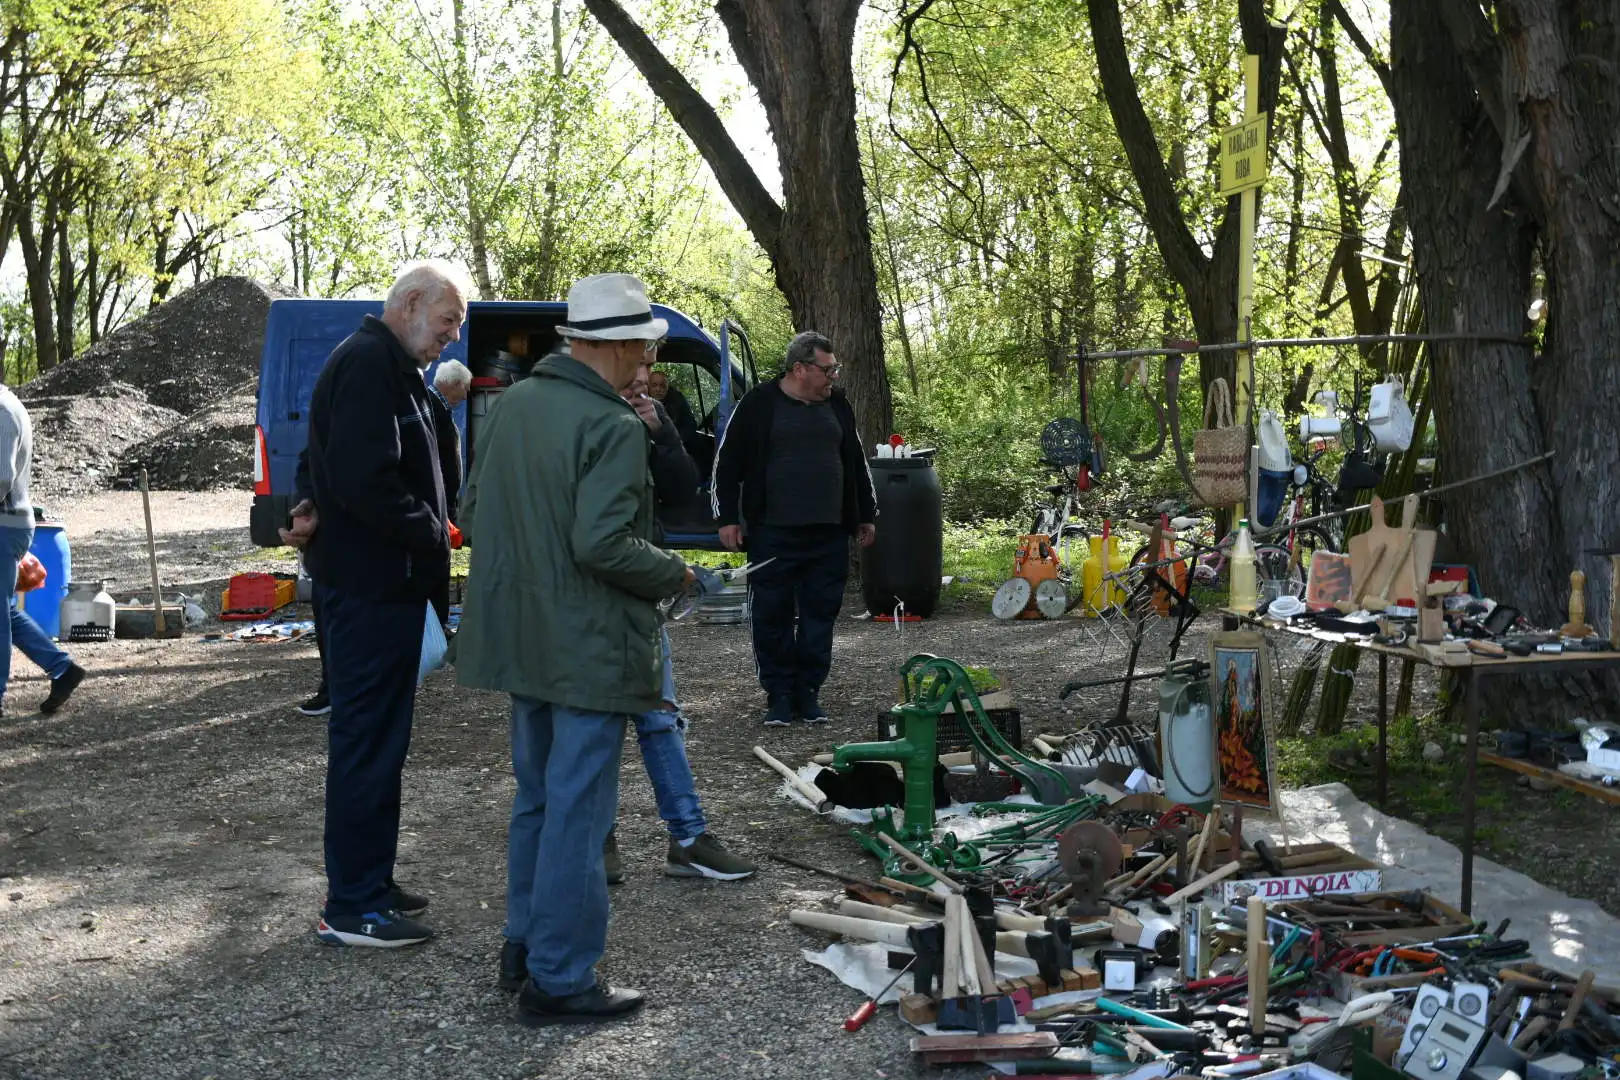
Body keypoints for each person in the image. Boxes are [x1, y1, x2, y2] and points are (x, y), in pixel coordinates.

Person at [456, 272, 690, 1026]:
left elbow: (471, 510)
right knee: (578, 816)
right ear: (620, 347)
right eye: (645, 350)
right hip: (587, 646)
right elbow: (602, 545)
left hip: (525, 639)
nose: (647, 365)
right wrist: (676, 571)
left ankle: (523, 948)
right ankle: (560, 977)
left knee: (539, 799)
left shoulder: (513, 405)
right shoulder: (613, 426)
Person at [301, 259, 469, 948]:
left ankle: (371, 877)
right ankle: (353, 905)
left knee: (381, 746)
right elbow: (362, 478)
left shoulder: (393, 370)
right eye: (447, 321)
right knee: (367, 746)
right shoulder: (368, 364)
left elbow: (321, 466)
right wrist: (435, 531)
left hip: (389, 591)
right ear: (408, 305)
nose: (451, 338)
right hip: (372, 589)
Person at [605, 362, 755, 884]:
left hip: (640, 592)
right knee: (595, 725)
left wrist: (663, 435)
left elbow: (682, 489)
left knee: (661, 716)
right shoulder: (580, 416)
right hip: (589, 601)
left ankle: (688, 839)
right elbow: (594, 536)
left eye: (649, 366)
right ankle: (597, 841)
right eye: (637, 364)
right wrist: (679, 573)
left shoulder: (654, 416)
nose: (645, 376)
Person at [712, 331, 876, 727]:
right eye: (826, 369)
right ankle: (779, 695)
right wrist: (727, 519)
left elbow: (855, 461)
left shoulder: (838, 405)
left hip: (829, 533)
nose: (832, 377)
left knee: (821, 615)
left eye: (834, 368)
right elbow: (726, 463)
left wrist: (866, 513)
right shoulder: (758, 405)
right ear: (799, 369)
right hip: (772, 532)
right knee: (772, 615)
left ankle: (808, 692)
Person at [0, 384, 85, 717]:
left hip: (4, 526)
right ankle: (61, 667)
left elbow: (1, 479)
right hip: (8, 525)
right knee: (5, 610)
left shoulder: (2, 411)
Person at [647, 368, 698, 446]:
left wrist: (676, 440)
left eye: (662, 386)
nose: (658, 389)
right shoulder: (640, 400)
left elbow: (690, 425)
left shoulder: (677, 399)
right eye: (654, 385)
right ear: (648, 387)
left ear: (667, 387)